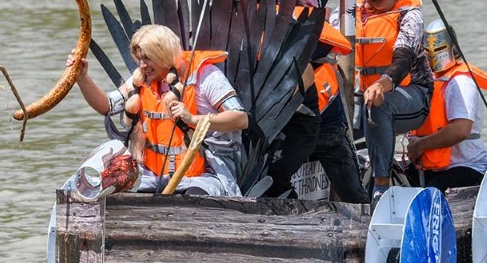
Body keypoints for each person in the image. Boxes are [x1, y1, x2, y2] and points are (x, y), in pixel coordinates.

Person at [73, 24, 249, 196]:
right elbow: (107, 106)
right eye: (139, 58)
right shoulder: (142, 79)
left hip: (202, 176)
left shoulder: (206, 76)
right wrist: (82, 77)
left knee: (194, 202)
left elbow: (241, 118)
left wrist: (193, 119)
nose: (142, 65)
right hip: (152, 176)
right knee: (113, 194)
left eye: (147, 58)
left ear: (164, 55)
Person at [352, 0, 434, 204]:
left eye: (376, 1)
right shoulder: (352, 6)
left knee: (380, 105)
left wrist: (381, 84)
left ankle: (381, 188)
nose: (367, 5)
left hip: (413, 93)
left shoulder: (409, 15)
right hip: (363, 94)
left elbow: (403, 61)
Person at [266, 20, 366, 203]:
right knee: (273, 178)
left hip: (323, 125)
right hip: (287, 129)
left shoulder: (296, 31)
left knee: (354, 196)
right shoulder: (266, 33)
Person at [404, 20, 487, 191]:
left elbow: (460, 130)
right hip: (430, 166)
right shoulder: (428, 79)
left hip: (465, 166)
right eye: (427, 50)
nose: (433, 55)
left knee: (431, 195)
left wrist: (420, 145)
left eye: (438, 49)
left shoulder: (460, 82)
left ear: (453, 48)